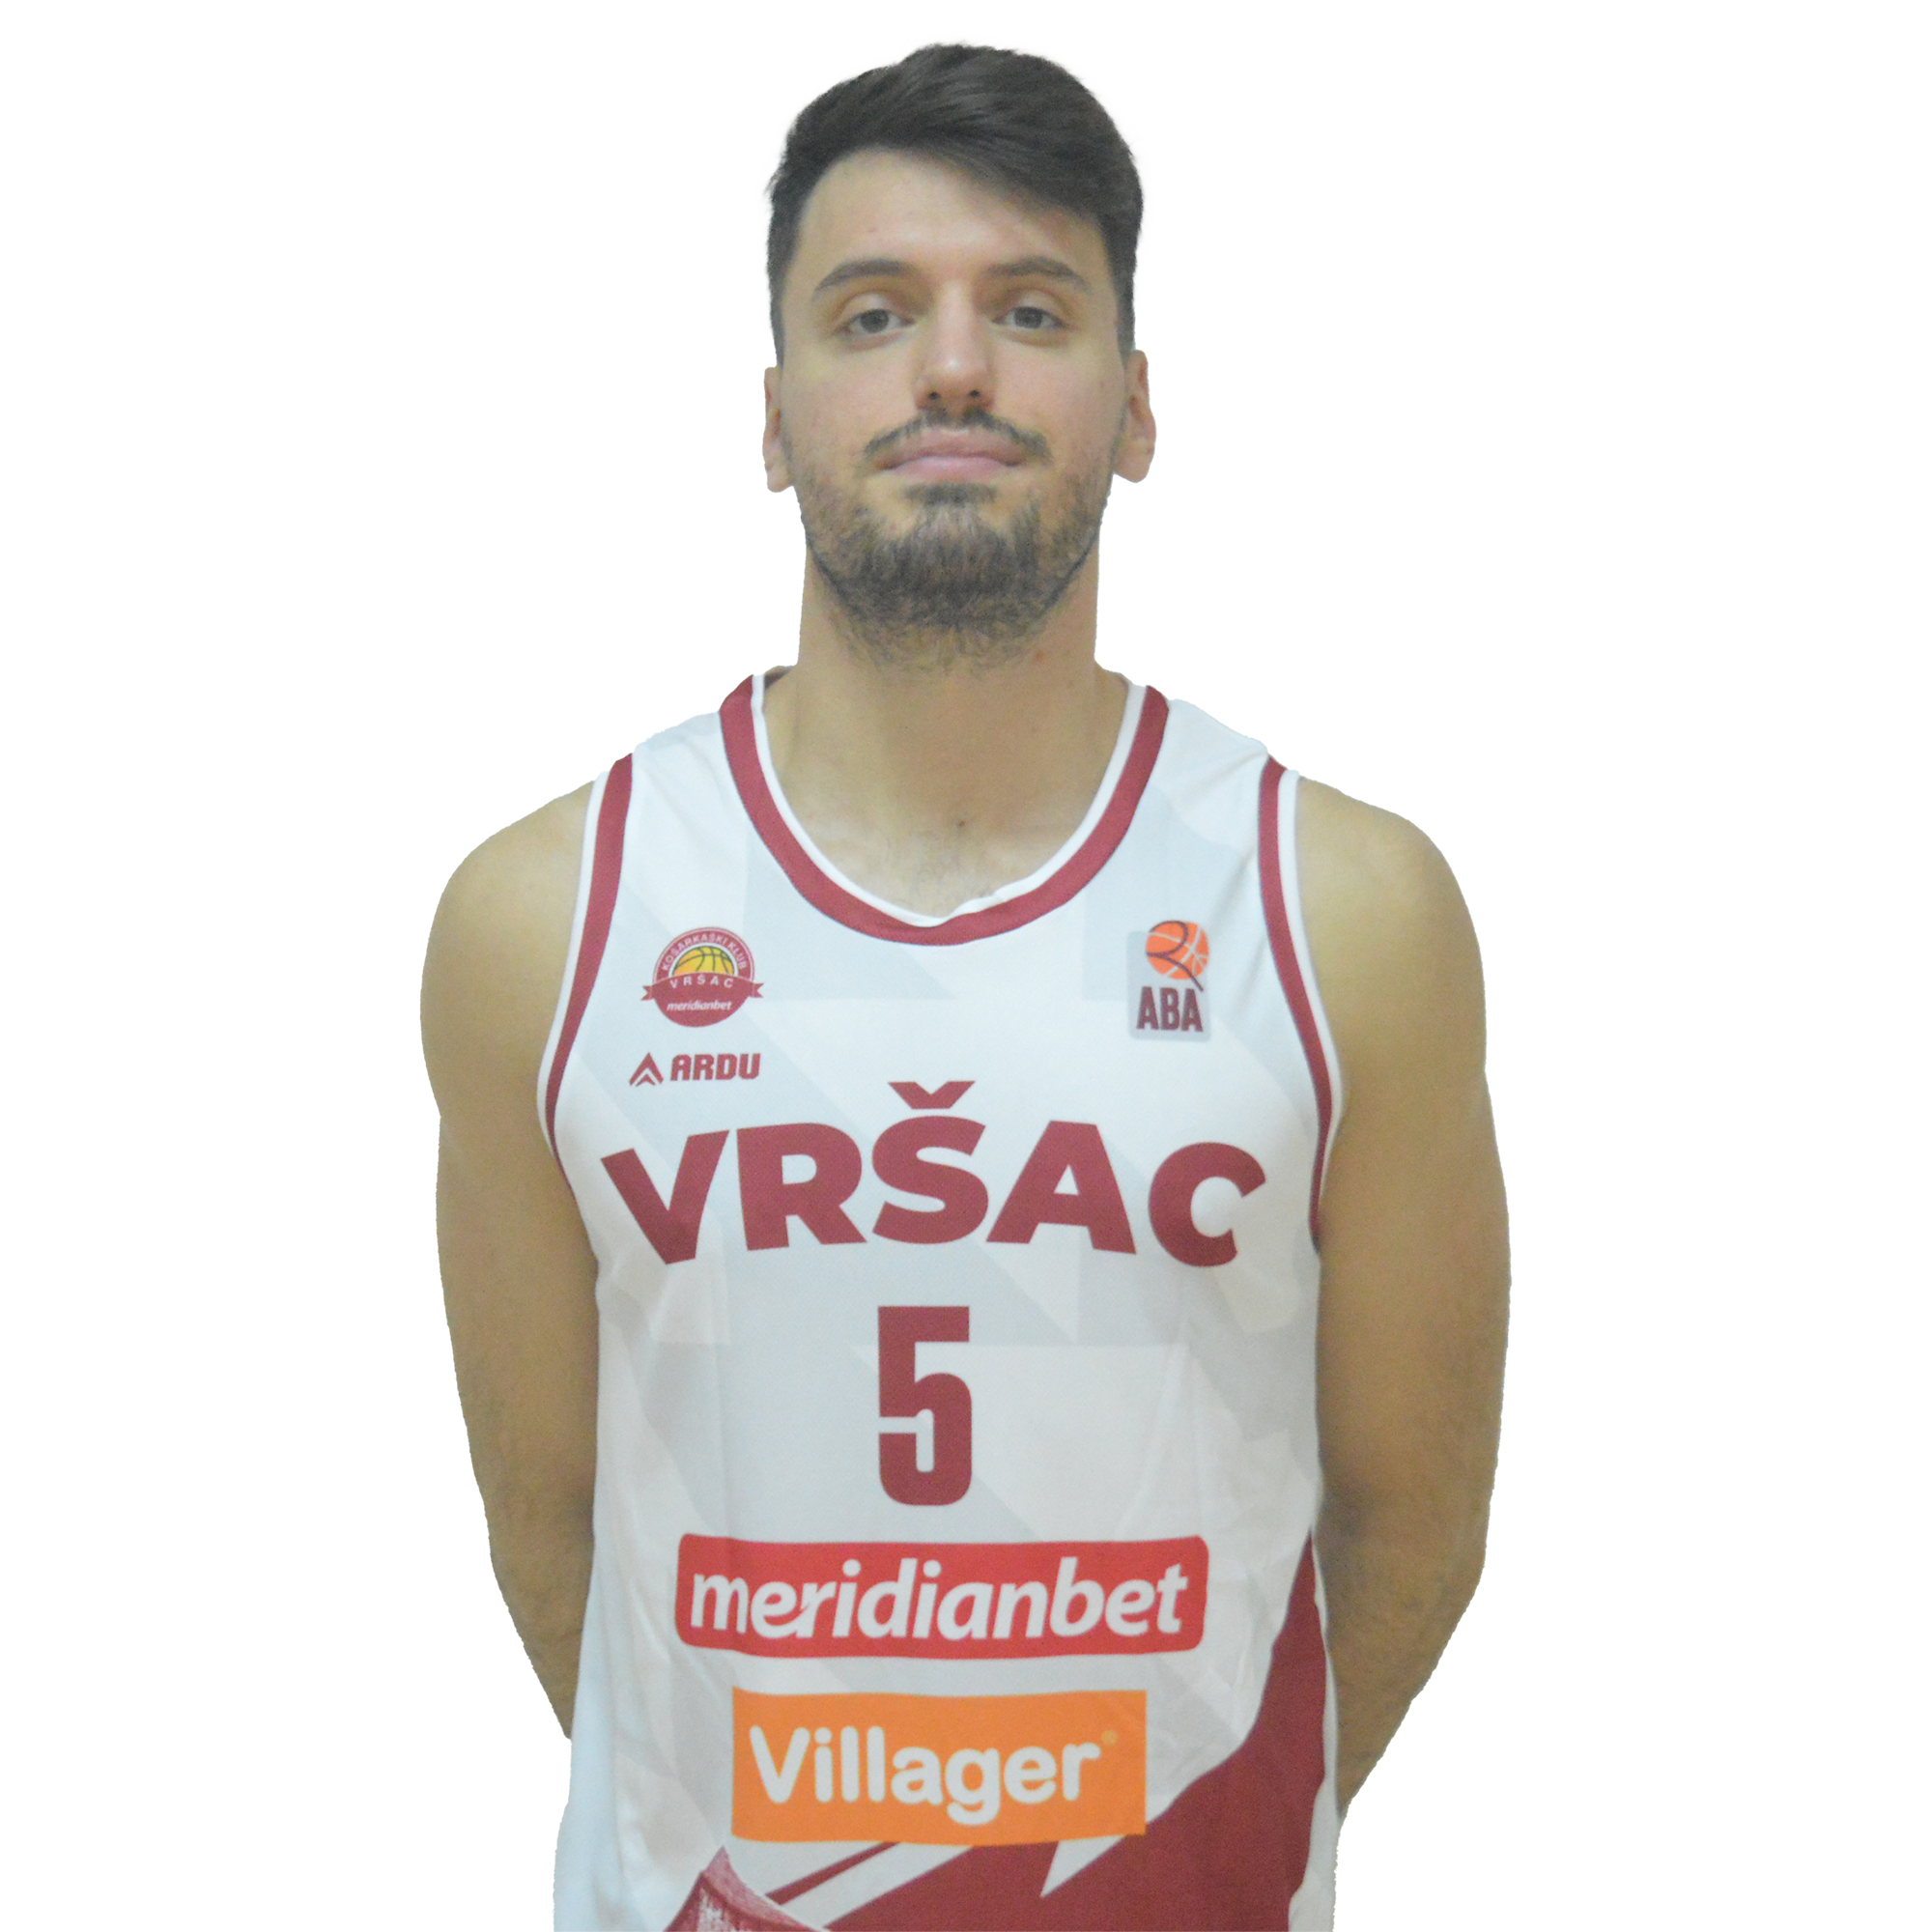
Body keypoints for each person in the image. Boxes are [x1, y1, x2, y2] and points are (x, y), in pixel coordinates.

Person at [422, 39, 1507, 1932]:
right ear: (775, 414)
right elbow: (549, 1514)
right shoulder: (546, 919)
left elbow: (1409, 1520)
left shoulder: (1346, 914)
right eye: (872, 313)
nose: (950, 369)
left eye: (1030, 309)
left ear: (1134, 405)